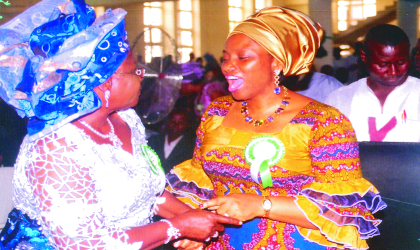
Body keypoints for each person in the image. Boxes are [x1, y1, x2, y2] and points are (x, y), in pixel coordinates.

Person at [0, 0, 241, 249]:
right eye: (135, 71)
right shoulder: (54, 147)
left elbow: (149, 194)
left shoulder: (125, 119)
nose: (142, 78)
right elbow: (86, 243)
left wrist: (201, 220)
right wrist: (178, 227)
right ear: (104, 82)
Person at [166, 7, 386, 250]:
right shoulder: (216, 113)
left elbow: (344, 209)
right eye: (226, 58)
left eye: (243, 57)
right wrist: (196, 227)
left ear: (277, 63)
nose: (228, 67)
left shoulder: (324, 122)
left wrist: (261, 205)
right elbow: (199, 183)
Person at [325, 24, 420, 142]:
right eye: (383, 64)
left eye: (401, 62)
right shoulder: (340, 98)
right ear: (364, 56)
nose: (393, 71)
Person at [148, 109, 196, 174]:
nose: (175, 125)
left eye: (181, 123)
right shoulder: (153, 141)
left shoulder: (190, 148)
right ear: (167, 121)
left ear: (188, 125)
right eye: (173, 121)